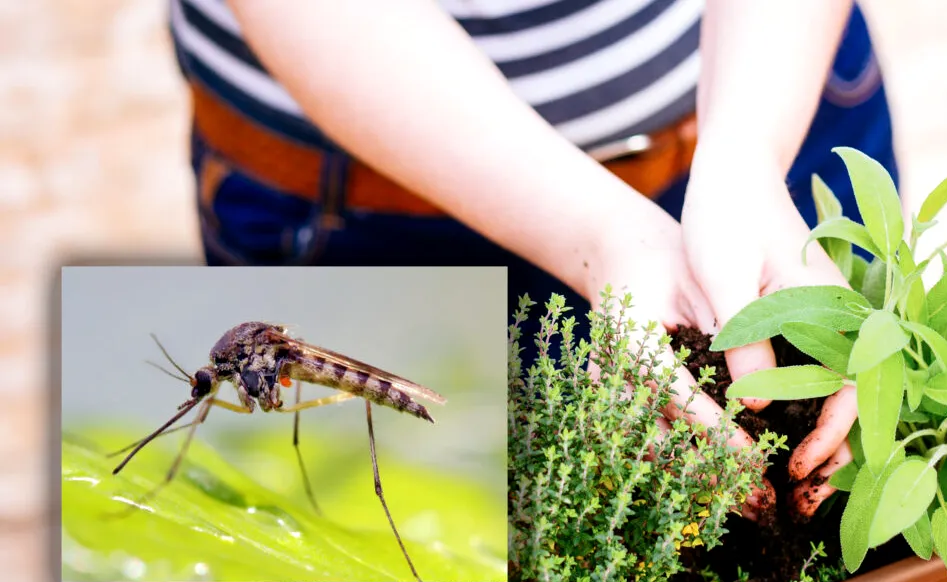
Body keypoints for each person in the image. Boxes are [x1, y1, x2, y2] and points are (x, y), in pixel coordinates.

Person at [168, 0, 899, 520]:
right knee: (396, 531)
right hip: (386, 191)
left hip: (772, 84)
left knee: (859, 456)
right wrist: (602, 232)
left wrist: (746, 156)